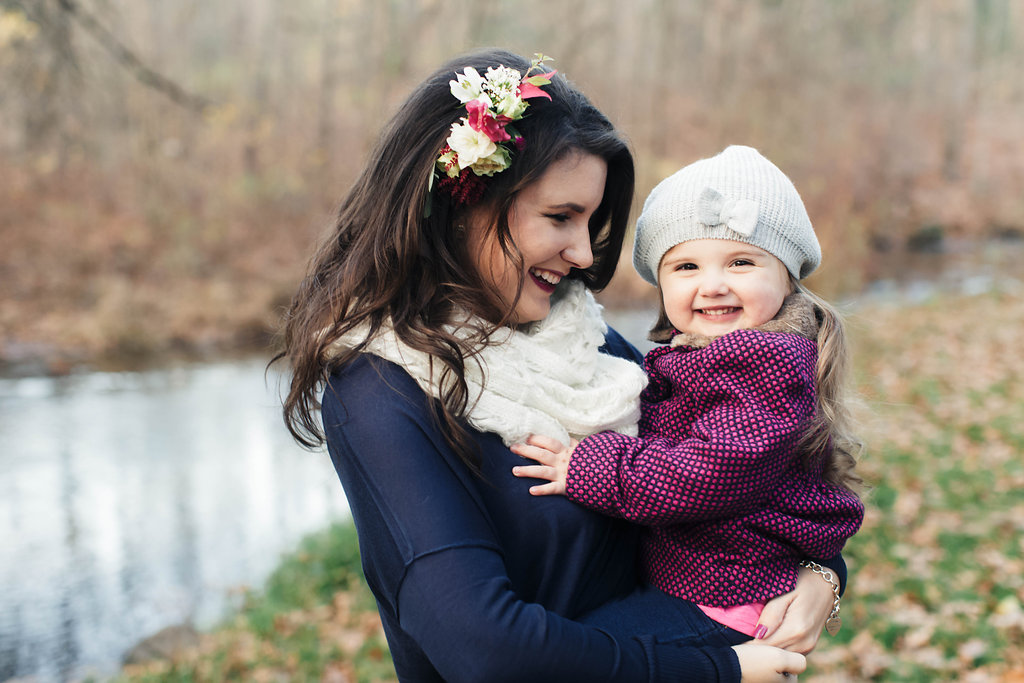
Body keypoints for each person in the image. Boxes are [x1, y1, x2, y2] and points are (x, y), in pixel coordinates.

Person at [277, 49, 839, 682]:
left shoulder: (586, 346)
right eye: (559, 217)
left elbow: (750, 474)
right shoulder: (382, 393)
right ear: (466, 203)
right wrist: (718, 672)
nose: (581, 253)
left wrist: (820, 577)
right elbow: (485, 647)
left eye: (591, 221)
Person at [511, 145, 865, 648]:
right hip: (702, 587)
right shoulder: (699, 353)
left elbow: (713, 470)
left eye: (741, 262)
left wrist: (592, 466)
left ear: (787, 277)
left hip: (726, 598)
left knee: (576, 657)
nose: (713, 285)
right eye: (686, 267)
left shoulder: (764, 361)